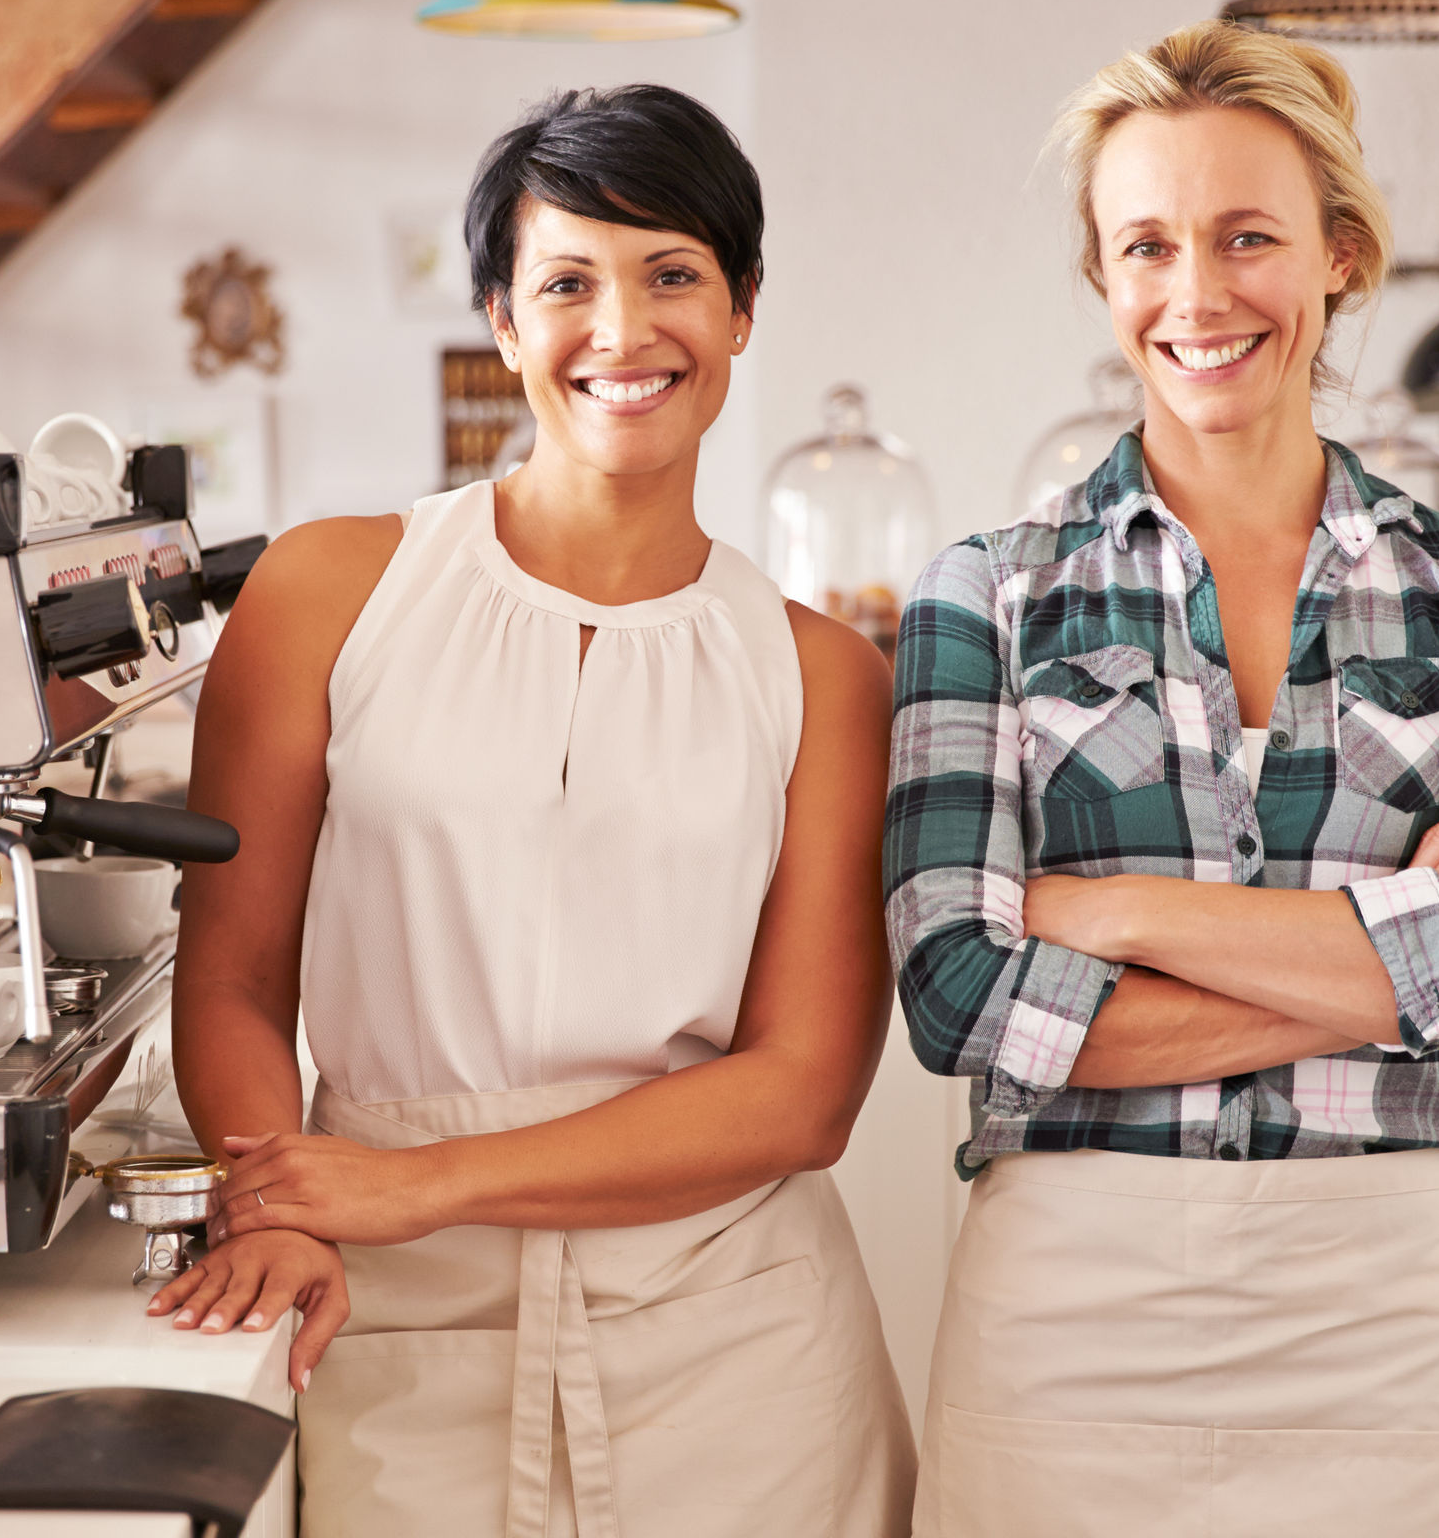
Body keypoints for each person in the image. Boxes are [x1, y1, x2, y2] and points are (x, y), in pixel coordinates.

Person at [159, 84, 916, 1537]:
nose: (623, 331)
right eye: (568, 284)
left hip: (739, 1360)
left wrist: (420, 1185)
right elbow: (234, 978)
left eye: (672, 275)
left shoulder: (827, 677)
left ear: (743, 311)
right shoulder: (326, 592)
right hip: (381, 1323)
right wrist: (286, 1211)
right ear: (504, 323)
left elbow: (804, 1091)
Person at [888, 21, 1439, 1535]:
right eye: (1147, 244)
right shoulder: (987, 593)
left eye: (1247, 236)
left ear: (1340, 254)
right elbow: (955, 998)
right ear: (1103, 274)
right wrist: (1398, 935)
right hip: (1067, 1307)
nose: (1197, 294)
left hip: (1378, 1311)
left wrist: (1107, 912)